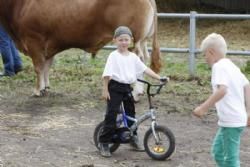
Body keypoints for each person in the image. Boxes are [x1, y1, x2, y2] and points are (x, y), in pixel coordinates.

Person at [99, 26, 166, 157]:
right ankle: (104, 142)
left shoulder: (133, 57)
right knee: (112, 115)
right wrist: (105, 89)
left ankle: (132, 138)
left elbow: (145, 69)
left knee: (131, 114)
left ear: (131, 40)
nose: (124, 42)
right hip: (114, 88)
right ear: (115, 41)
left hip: (127, 88)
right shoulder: (113, 56)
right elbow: (106, 74)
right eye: (121, 40)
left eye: (126, 40)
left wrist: (159, 78)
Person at [193, 33, 250, 167]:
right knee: (218, 152)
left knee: (231, 159)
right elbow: (247, 85)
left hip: (231, 121)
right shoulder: (231, 66)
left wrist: (203, 108)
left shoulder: (218, 67)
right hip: (231, 120)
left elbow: (222, 90)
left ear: (211, 52)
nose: (205, 58)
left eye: (205, 55)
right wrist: (248, 111)